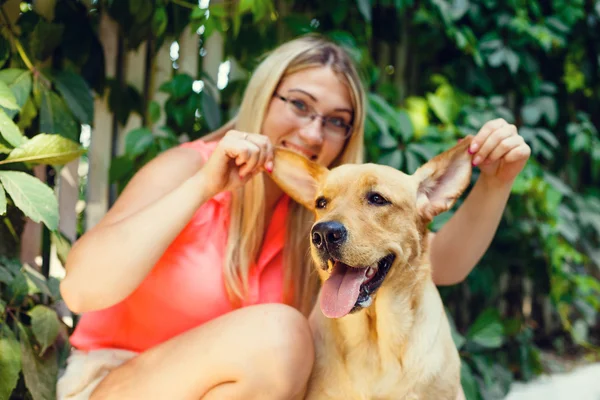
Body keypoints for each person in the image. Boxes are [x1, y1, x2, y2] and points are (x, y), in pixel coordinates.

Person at [57, 34, 531, 400]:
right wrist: (205, 187)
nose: (311, 131)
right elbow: (80, 289)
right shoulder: (189, 168)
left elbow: (432, 264)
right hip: (116, 383)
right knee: (282, 335)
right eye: (299, 105)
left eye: (335, 120)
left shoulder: (322, 219)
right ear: (265, 98)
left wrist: (495, 182)